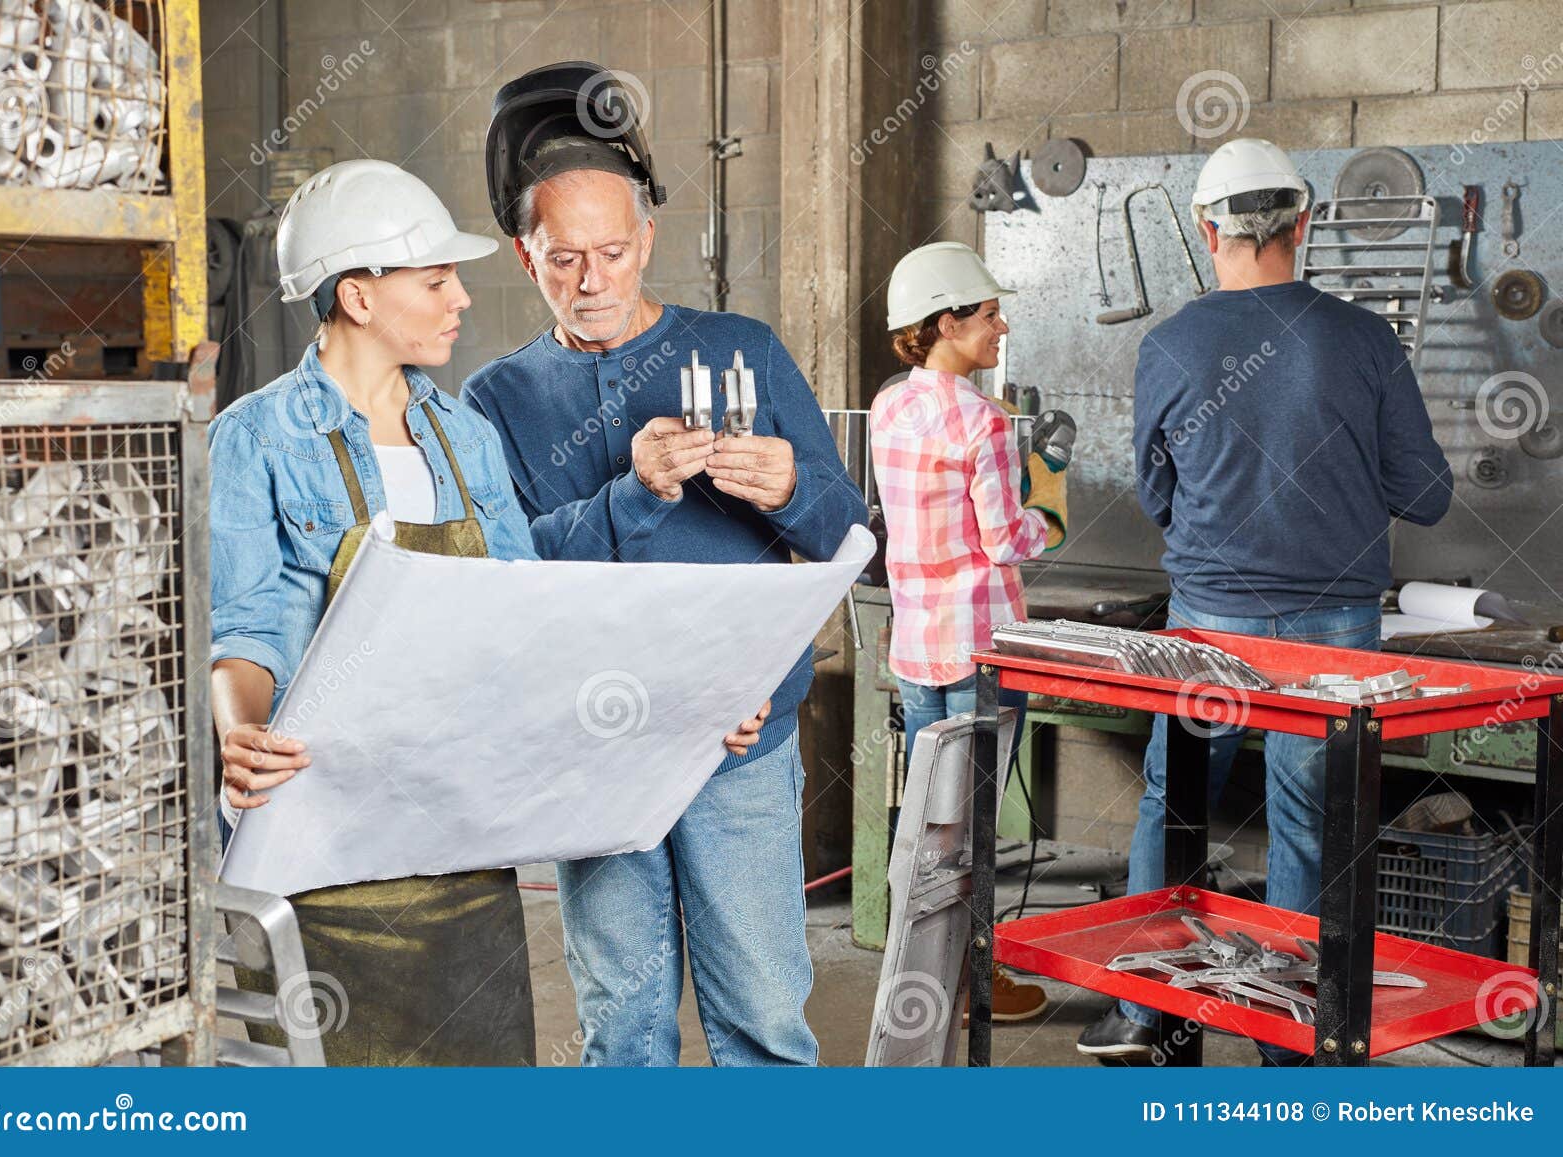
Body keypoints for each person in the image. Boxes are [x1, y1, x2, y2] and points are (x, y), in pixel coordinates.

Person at [463, 61, 868, 1066]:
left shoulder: (743, 348)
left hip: (737, 746)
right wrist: (631, 492)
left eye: (611, 251)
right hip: (598, 747)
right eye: (563, 259)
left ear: (647, 238)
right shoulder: (497, 399)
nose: (590, 280)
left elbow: (856, 542)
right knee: (623, 1029)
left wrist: (791, 489)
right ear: (525, 256)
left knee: (765, 1022)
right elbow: (508, 578)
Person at [1077, 138, 1453, 1064]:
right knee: (1310, 822)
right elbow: (1430, 494)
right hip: (1335, 629)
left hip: (1208, 622)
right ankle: (1289, 1034)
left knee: (1175, 801)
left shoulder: (1168, 343)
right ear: (1306, 221)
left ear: (1209, 231)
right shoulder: (1367, 339)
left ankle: (1145, 1010)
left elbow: (1157, 492)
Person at [207, 159, 545, 1065]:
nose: (461, 298)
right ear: (358, 295)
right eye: (436, 279)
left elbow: (529, 614)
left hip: (460, 834)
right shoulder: (255, 436)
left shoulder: (466, 438)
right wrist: (239, 729)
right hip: (324, 840)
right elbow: (246, 624)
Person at [870, 241, 1068, 1025]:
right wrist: (1049, 487)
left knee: (930, 825)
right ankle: (971, 984)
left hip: (919, 646)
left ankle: (919, 977)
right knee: (976, 832)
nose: (1000, 326)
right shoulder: (985, 420)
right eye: (988, 315)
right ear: (946, 322)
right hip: (984, 652)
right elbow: (1007, 539)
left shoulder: (890, 404)